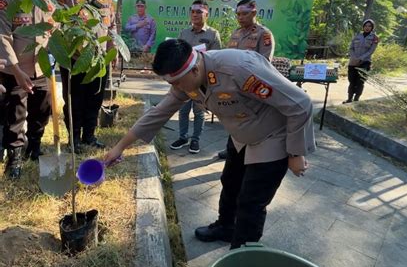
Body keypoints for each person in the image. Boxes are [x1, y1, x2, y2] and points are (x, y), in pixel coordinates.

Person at [104, 39, 315, 249]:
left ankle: (242, 255)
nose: (175, 88)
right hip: (240, 136)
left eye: (177, 82)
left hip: (272, 136)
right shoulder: (186, 79)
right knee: (230, 184)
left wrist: (295, 153)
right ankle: (225, 227)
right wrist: (119, 147)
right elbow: (159, 113)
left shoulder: (239, 69)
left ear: (195, 70)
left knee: (251, 202)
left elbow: (301, 104)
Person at [0, 0, 54, 178]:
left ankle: (35, 147)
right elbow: (2, 37)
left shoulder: (48, 3)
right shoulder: (7, 0)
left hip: (40, 69)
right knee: (16, 114)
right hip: (14, 71)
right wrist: (16, 69)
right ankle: (14, 159)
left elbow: (55, 30)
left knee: (42, 111)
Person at [55, 0, 116, 152]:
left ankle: (89, 136)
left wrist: (112, 51)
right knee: (74, 101)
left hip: (99, 61)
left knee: (95, 99)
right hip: (73, 60)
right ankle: (74, 140)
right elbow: (55, 25)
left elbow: (113, 26)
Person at [218, 0, 275, 160]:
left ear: (254, 13)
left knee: (249, 121)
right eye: (238, 14)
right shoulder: (236, 33)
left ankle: (249, 153)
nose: (240, 17)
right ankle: (232, 150)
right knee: (234, 120)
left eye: (244, 14)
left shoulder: (264, 34)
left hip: (251, 87)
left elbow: (265, 63)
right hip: (233, 86)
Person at [169, 0, 221, 154]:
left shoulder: (213, 34)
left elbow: (216, 57)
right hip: (184, 81)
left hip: (201, 81)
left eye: (199, 12)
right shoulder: (184, 33)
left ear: (206, 14)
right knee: (183, 110)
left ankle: (195, 140)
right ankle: (183, 137)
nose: (195, 15)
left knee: (199, 111)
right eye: (193, 12)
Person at [343, 19, 379, 104]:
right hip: (353, 61)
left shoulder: (375, 38)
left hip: (365, 62)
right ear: (363, 27)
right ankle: (349, 99)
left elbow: (371, 50)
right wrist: (354, 57)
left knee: (360, 81)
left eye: (369, 26)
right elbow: (351, 48)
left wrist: (361, 58)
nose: (367, 27)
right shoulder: (357, 36)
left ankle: (356, 99)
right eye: (366, 26)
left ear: (372, 28)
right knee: (352, 80)